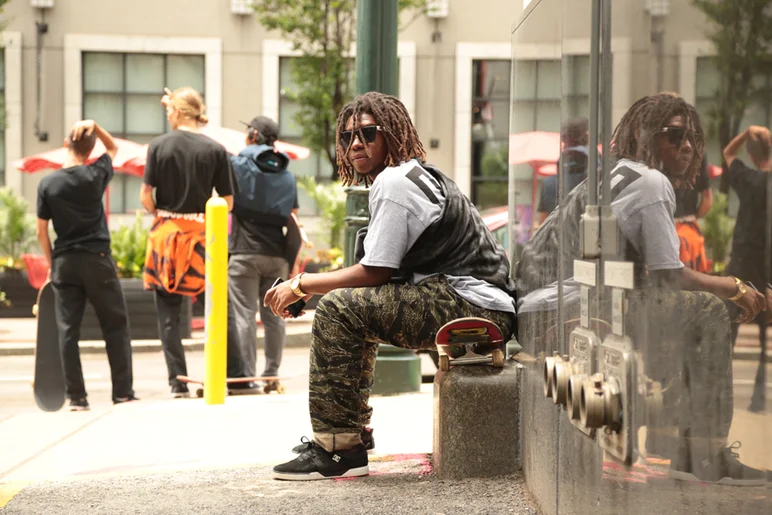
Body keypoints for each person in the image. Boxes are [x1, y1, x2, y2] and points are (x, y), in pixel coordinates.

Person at [263, 91, 518, 481]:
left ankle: (336, 449)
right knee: (351, 305)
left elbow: (374, 273)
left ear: (392, 135)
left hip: (472, 304)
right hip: (476, 301)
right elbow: (379, 274)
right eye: (347, 138)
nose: (356, 145)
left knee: (338, 308)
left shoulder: (396, 183)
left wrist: (303, 284)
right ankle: (350, 434)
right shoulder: (411, 174)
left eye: (367, 133)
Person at [516, 93, 767, 486]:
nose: (686, 146)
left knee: (673, 310)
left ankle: (678, 444)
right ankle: (706, 453)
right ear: (645, 134)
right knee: (707, 310)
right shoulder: (651, 182)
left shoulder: (613, 173)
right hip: (565, 311)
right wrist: (734, 288)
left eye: (691, 138)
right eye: (673, 135)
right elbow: (672, 275)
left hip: (538, 312)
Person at [140, 87, 238, 398]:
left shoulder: (158, 146)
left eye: (169, 110)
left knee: (168, 316)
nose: (166, 115)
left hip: (166, 238)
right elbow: (228, 201)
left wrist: (164, 215)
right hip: (203, 238)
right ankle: (235, 375)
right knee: (220, 308)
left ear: (179, 112)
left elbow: (146, 197)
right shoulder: (215, 149)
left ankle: (177, 382)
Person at [36, 119, 137, 411]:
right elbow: (114, 147)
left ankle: (77, 398)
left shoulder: (48, 183)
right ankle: (122, 393)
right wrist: (95, 126)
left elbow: (41, 231)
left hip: (65, 263)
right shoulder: (95, 173)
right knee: (115, 326)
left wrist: (51, 263)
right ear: (91, 149)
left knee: (68, 331)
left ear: (66, 144)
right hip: (97, 260)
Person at [227, 116, 299, 388]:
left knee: (244, 316)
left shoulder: (237, 165)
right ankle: (271, 375)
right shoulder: (287, 174)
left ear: (254, 135)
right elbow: (292, 217)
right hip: (277, 255)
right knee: (275, 316)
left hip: (244, 253)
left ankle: (249, 378)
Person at [722, 125, 772, 413]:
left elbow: (728, 152)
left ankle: (724, 391)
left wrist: (745, 133)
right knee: (766, 338)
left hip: (742, 264)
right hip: (767, 267)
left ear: (752, 156)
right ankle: (758, 396)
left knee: (732, 326)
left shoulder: (747, 178)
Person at [536, 117, 592, 226]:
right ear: (587, 136)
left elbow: (542, 224)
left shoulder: (549, 183)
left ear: (564, 140)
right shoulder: (599, 175)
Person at [674, 155, 712, 273]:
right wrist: (695, 216)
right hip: (691, 235)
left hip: (663, 230)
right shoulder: (698, 151)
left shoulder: (657, 146)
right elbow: (707, 198)